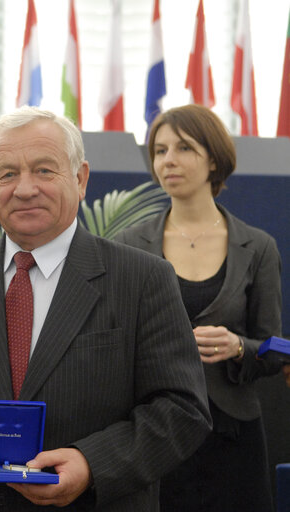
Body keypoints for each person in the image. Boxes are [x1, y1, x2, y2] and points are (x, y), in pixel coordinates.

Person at [0, 106, 211, 511]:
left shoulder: (142, 278)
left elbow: (182, 408)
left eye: (44, 170)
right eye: (7, 173)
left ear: (81, 178)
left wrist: (91, 463)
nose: (25, 188)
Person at [114, 104, 283, 512]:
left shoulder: (257, 246)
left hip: (233, 433)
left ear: (214, 159)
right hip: (154, 430)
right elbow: (113, 341)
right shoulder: (128, 244)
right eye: (159, 150)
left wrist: (238, 345)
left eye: (184, 148)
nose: (168, 160)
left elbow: (272, 350)